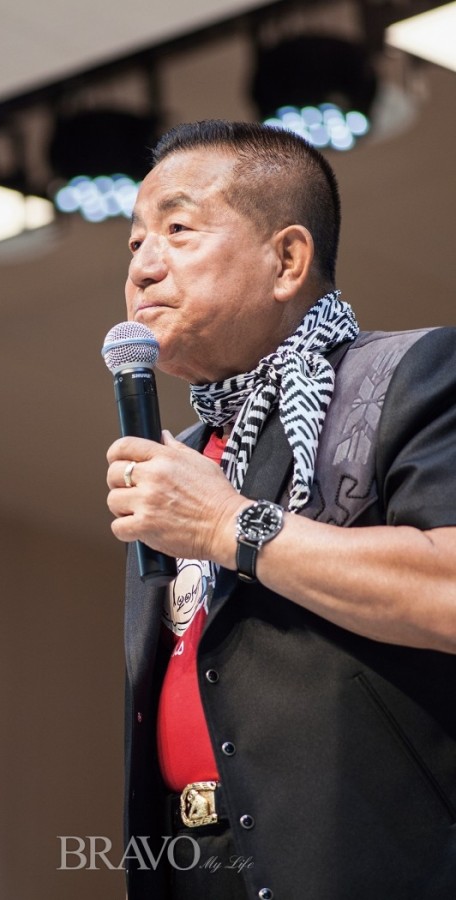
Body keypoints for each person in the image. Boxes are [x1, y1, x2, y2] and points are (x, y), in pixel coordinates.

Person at [105, 120, 456, 900]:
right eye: (134, 242)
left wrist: (228, 525)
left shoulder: (410, 375)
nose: (143, 265)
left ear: (288, 259)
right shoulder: (178, 460)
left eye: (177, 229)